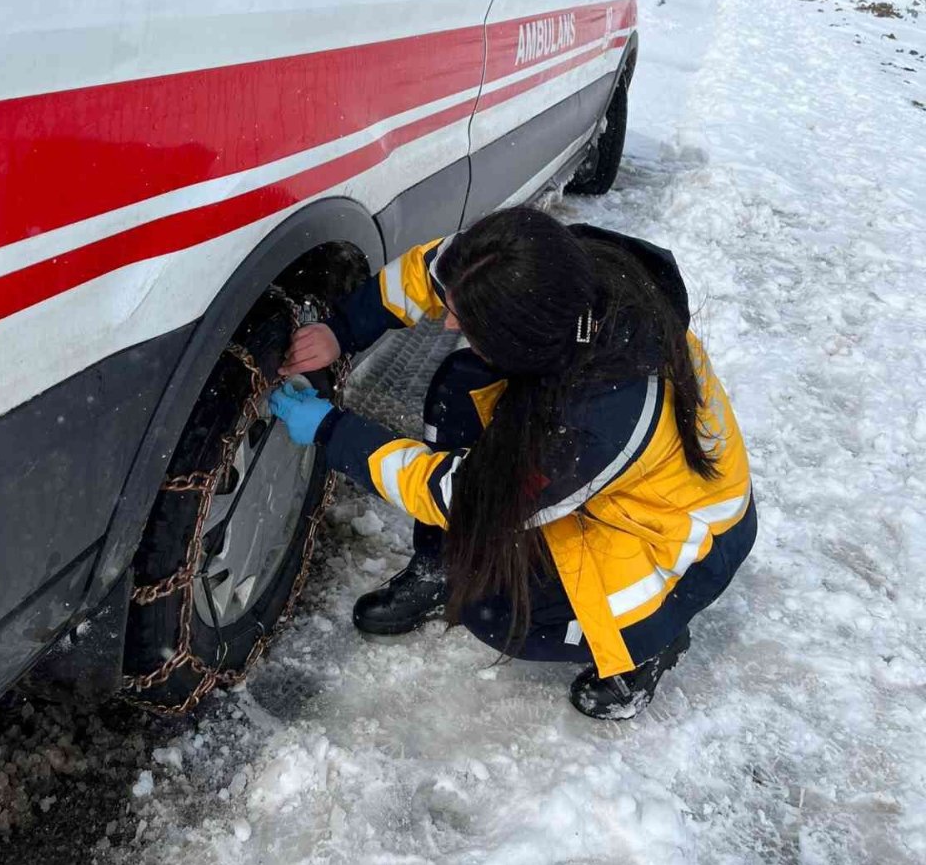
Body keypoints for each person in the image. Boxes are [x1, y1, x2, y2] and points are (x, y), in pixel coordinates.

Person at [269, 207, 756, 719]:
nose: (448, 322)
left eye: (464, 321)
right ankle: (440, 565)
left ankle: (648, 642)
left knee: (493, 609)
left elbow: (468, 498)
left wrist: (333, 431)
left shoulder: (595, 423)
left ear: (528, 343)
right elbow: (436, 270)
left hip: (674, 545)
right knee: (463, 381)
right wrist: (343, 330)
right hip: (620, 474)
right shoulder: (546, 269)